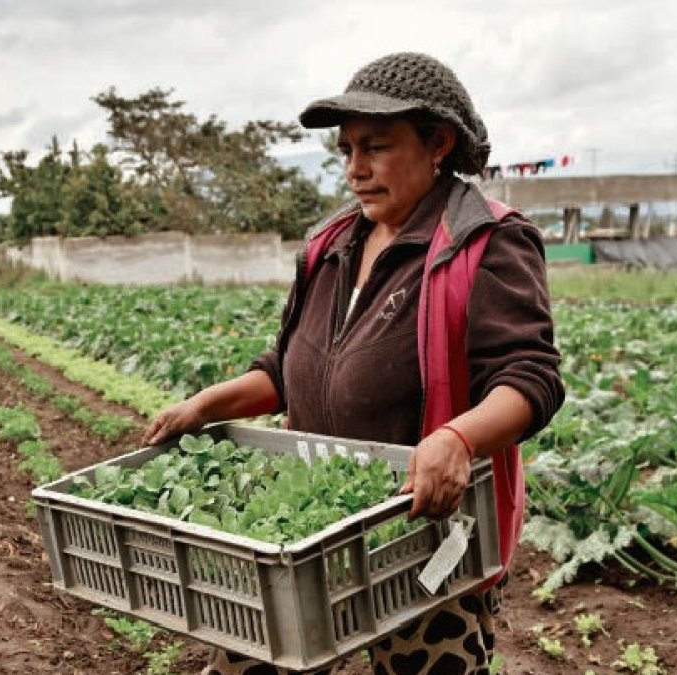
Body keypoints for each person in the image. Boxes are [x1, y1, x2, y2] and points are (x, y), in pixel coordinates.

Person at [144, 52, 565, 675]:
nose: (355, 169)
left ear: (438, 143)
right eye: (345, 150)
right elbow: (287, 371)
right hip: (312, 526)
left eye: (375, 147)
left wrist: (456, 438)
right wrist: (208, 403)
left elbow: (530, 378)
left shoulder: (488, 241)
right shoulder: (331, 244)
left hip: (426, 530)